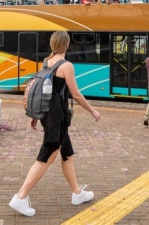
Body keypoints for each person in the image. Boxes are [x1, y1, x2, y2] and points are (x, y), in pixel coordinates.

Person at [9, 31, 100, 217]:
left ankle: (77, 193)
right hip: (56, 116)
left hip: (48, 115)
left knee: (67, 153)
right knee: (47, 155)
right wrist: (92, 110)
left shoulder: (46, 63)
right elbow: (75, 94)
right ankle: (20, 196)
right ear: (66, 45)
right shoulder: (66, 65)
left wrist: (36, 115)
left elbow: (41, 89)